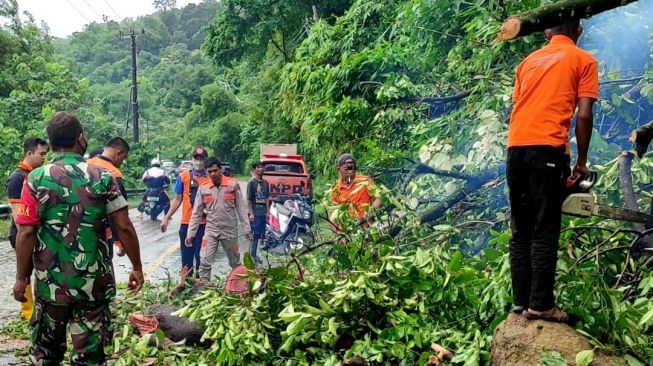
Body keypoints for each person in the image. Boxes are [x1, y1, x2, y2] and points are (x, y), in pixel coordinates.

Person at [13, 112, 144, 365]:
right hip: (92, 286)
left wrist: (21, 278)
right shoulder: (103, 176)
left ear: (50, 144)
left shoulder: (36, 178)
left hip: (50, 286)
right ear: (80, 139)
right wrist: (137, 268)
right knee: (90, 356)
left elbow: (26, 232)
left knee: (45, 354)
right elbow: (124, 227)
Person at [506, 20, 598, 322]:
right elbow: (584, 114)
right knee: (545, 228)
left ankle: (521, 303)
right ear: (579, 31)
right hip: (547, 148)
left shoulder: (527, 62)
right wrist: (581, 161)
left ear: (546, 31)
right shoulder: (584, 60)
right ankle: (541, 305)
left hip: (516, 148)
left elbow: (521, 106)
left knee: (521, 231)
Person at [187, 157, 252, 281]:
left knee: (235, 262)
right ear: (206, 172)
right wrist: (191, 234)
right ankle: (204, 287)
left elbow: (241, 209)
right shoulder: (203, 188)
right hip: (211, 230)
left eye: (215, 170)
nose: (213, 174)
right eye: (209, 171)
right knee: (205, 261)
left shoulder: (233, 184)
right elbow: (196, 213)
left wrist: (247, 229)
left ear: (220, 169)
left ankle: (237, 287)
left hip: (230, 232)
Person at [5, 137, 48, 320]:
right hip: (23, 233)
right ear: (29, 153)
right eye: (41, 154)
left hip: (33, 232)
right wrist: (27, 236)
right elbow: (17, 215)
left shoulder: (37, 174)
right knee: (25, 271)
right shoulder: (18, 177)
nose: (44, 158)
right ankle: (28, 312)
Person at [161, 147, 211, 275]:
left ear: (206, 160)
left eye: (201, 159)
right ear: (192, 159)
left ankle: (202, 283)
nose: (198, 162)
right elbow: (178, 200)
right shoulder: (183, 177)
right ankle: (186, 284)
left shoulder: (211, 178)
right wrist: (166, 217)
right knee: (187, 258)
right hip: (187, 223)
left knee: (203, 257)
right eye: (196, 159)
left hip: (205, 224)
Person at [88, 137, 131, 257]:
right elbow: (118, 215)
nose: (122, 162)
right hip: (102, 233)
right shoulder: (113, 173)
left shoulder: (85, 165)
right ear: (119, 153)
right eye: (124, 158)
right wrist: (120, 241)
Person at [331, 153, 382, 221]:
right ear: (338, 169)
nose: (350, 172)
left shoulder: (366, 181)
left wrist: (370, 213)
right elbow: (333, 213)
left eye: (352, 168)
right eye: (346, 169)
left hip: (369, 224)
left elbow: (379, 199)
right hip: (350, 228)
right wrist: (336, 230)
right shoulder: (336, 189)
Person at [247, 161, 269, 263]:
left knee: (261, 235)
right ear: (254, 169)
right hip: (255, 212)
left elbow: (267, 198)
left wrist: (268, 212)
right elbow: (249, 199)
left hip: (263, 212)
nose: (260, 169)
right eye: (258, 167)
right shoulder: (251, 183)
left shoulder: (265, 183)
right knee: (254, 236)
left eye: (262, 167)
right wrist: (251, 213)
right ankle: (251, 256)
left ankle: (255, 255)